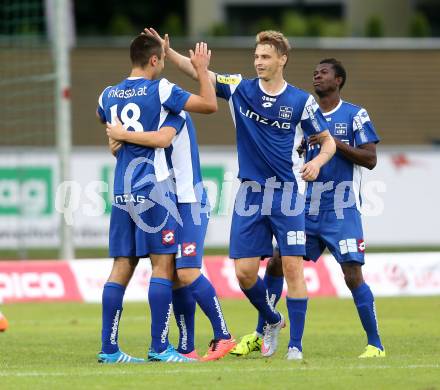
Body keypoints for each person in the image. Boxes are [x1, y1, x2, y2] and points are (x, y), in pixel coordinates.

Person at [145, 28, 336, 360]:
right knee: (244, 273)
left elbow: (327, 140)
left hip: (288, 193)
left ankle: (296, 346)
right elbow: (198, 71)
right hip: (250, 194)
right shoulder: (240, 89)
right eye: (256, 56)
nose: (258, 62)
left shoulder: (301, 101)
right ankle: (274, 320)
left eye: (265, 57)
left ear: (282, 59)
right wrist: (168, 53)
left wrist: (318, 161)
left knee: (292, 267)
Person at [232, 58, 385, 359]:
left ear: (338, 80)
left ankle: (375, 344)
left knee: (352, 274)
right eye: (314, 72)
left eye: (324, 72)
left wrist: (334, 144)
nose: (317, 75)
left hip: (342, 208)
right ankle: (263, 331)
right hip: (307, 207)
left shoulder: (355, 114)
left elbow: (370, 159)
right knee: (277, 263)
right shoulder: (306, 116)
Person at [96, 34, 217, 364]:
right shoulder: (160, 89)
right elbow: (209, 104)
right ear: (154, 60)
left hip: (122, 187)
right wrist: (201, 69)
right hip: (153, 189)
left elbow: (111, 132)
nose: (162, 64)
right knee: (163, 265)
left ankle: (109, 349)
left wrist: (120, 139)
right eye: (161, 59)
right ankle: (160, 347)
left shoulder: (107, 94)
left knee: (122, 264)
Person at [107, 110, 236, 361]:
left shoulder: (173, 115)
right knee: (175, 274)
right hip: (164, 201)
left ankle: (223, 335)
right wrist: (119, 141)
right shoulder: (144, 119)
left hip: (189, 201)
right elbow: (119, 150)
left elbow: (161, 141)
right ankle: (186, 347)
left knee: (186, 270)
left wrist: (122, 135)